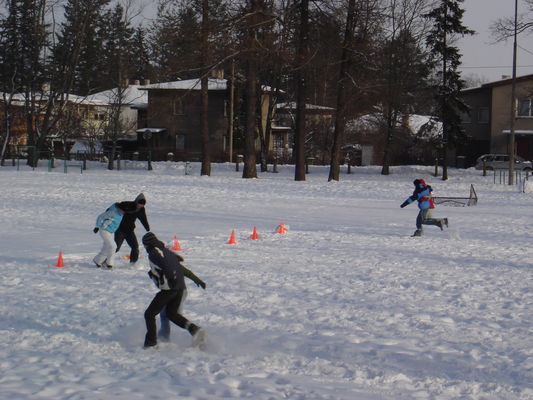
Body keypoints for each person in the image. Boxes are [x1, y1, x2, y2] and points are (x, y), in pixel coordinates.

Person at [142, 232, 207, 348]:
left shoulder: (155, 253)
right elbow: (177, 268)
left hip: (170, 289)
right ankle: (194, 330)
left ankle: (151, 343)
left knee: (149, 314)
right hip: (179, 288)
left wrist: (171, 278)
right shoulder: (166, 251)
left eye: (144, 245)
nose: (144, 247)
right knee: (171, 314)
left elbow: (167, 265)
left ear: (148, 244)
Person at [115, 193, 150, 264]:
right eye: (139, 203)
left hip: (130, 231)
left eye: (142, 205)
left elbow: (143, 218)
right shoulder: (127, 204)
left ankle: (133, 263)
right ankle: (103, 260)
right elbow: (114, 207)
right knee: (116, 248)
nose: (140, 205)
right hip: (120, 230)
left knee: (135, 247)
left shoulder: (141, 209)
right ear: (136, 201)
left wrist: (147, 228)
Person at [93, 202, 125, 269]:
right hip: (104, 230)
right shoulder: (112, 212)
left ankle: (98, 260)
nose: (124, 212)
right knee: (113, 246)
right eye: (123, 210)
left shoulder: (121, 214)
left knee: (106, 247)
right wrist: (97, 227)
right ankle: (109, 263)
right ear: (119, 208)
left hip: (111, 232)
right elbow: (100, 217)